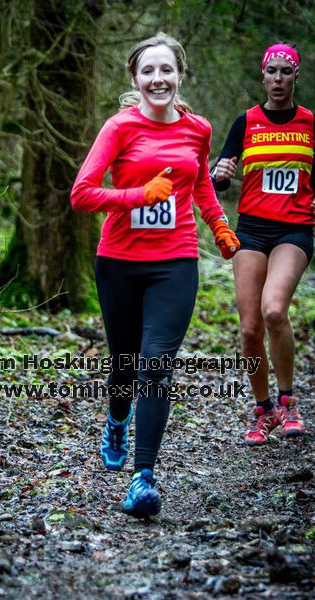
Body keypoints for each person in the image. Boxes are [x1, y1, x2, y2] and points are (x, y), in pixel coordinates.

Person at [71, 32, 239, 518]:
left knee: (156, 364)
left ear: (180, 76)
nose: (158, 78)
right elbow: (82, 194)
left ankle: (144, 477)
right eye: (148, 71)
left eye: (167, 70)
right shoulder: (119, 128)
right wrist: (136, 196)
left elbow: (201, 183)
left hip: (176, 260)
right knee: (124, 361)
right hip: (120, 261)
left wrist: (219, 225)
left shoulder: (198, 129)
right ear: (135, 79)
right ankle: (117, 419)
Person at [212, 42, 314, 447]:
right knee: (250, 327)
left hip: (294, 230)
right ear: (262, 76)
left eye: (285, 72)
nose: (277, 79)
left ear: (295, 77)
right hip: (251, 230)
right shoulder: (245, 122)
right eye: (271, 71)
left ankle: (289, 402)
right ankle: (263, 409)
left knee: (274, 311)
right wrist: (219, 173)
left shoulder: (309, 123)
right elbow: (217, 179)